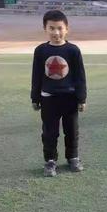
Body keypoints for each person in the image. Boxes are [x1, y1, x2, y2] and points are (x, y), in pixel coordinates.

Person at [31, 10, 87, 177]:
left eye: (60, 28)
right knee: (49, 132)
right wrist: (35, 97)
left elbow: (80, 76)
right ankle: (50, 161)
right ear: (45, 29)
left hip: (69, 98)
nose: (56, 32)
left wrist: (81, 98)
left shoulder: (73, 50)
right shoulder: (40, 51)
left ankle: (73, 157)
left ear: (67, 29)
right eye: (52, 28)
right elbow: (36, 75)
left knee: (72, 131)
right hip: (49, 99)